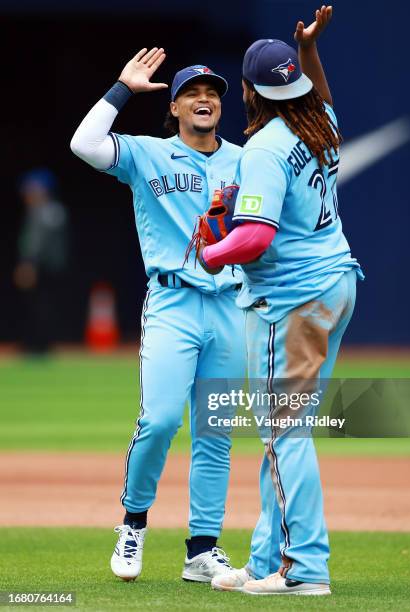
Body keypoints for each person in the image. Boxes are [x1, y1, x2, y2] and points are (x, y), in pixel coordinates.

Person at [198, 6, 364, 596]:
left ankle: (305, 571)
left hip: (289, 301)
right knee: (283, 434)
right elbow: (319, 92)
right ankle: (268, 558)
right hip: (335, 285)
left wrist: (209, 256)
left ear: (246, 91)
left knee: (284, 435)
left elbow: (256, 236)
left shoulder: (264, 148)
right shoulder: (319, 120)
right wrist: (311, 52)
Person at [70, 47, 246, 582]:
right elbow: (83, 144)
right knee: (162, 419)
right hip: (173, 302)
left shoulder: (245, 160)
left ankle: (202, 548)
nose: (204, 99)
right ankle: (133, 524)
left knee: (215, 431)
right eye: (192, 93)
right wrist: (121, 88)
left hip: (232, 305)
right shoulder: (147, 154)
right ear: (173, 107)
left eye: (212, 93)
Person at [13, 168, 69, 354]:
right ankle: (42, 345)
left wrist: (28, 264)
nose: (27, 194)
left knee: (38, 307)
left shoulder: (41, 211)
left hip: (41, 268)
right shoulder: (56, 210)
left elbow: (35, 242)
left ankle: (36, 346)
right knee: (45, 306)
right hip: (54, 268)